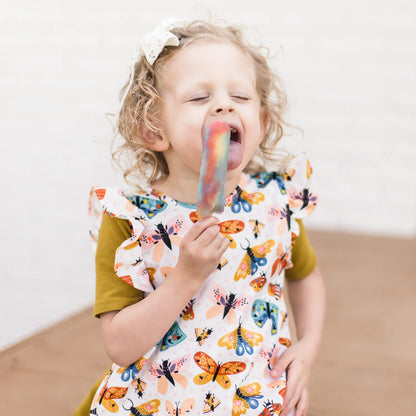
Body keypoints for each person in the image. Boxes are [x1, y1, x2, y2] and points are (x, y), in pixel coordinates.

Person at [75, 17, 325, 416]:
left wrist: (308, 346)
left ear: (261, 122)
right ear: (154, 129)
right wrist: (186, 276)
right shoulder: (131, 221)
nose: (224, 105)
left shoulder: (276, 202)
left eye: (240, 96)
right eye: (199, 98)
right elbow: (120, 345)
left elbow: (305, 275)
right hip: (157, 403)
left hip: (254, 400)